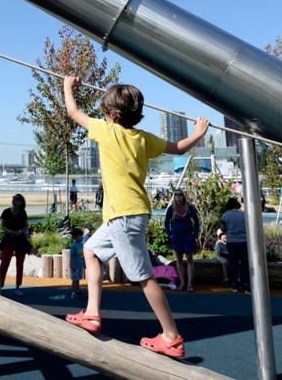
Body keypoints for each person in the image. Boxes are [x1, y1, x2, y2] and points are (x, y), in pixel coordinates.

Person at [62, 75, 209, 359]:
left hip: (123, 216)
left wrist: (68, 85)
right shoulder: (143, 139)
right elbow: (178, 148)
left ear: (112, 116)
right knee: (91, 250)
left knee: (143, 276)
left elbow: (73, 112)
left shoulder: (107, 131)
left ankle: (171, 336)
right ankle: (92, 313)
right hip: (131, 213)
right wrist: (198, 133)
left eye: (105, 111)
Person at [164, 190, 200, 292]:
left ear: (184, 196)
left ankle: (189, 284)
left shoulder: (190, 208)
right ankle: (182, 283)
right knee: (179, 260)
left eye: (180, 194)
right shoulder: (171, 208)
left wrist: (195, 234)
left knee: (189, 259)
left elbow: (196, 221)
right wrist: (170, 234)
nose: (178, 196)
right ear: (174, 197)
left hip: (188, 236)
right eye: (176, 194)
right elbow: (166, 223)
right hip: (176, 236)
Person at [0, 193, 29, 296]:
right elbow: (2, 226)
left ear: (21, 202)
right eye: (14, 199)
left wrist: (20, 232)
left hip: (20, 240)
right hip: (9, 239)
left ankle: (17, 287)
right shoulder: (6, 212)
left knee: (20, 264)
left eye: (18, 200)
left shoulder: (23, 213)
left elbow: (26, 227)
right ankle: (0, 285)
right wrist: (10, 231)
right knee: (4, 263)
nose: (15, 201)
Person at [220, 198, 249, 293]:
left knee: (233, 264)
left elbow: (223, 228)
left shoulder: (225, 216)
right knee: (245, 264)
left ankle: (234, 285)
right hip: (244, 241)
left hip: (232, 242)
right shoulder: (244, 214)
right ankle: (247, 285)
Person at [69, 227, 85, 299]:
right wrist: (73, 265)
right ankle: (73, 292)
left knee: (78, 279)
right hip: (75, 265)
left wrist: (84, 264)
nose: (82, 237)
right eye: (80, 236)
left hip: (80, 265)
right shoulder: (74, 246)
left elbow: (83, 255)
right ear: (75, 237)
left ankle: (77, 290)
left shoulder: (81, 244)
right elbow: (71, 256)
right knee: (75, 280)